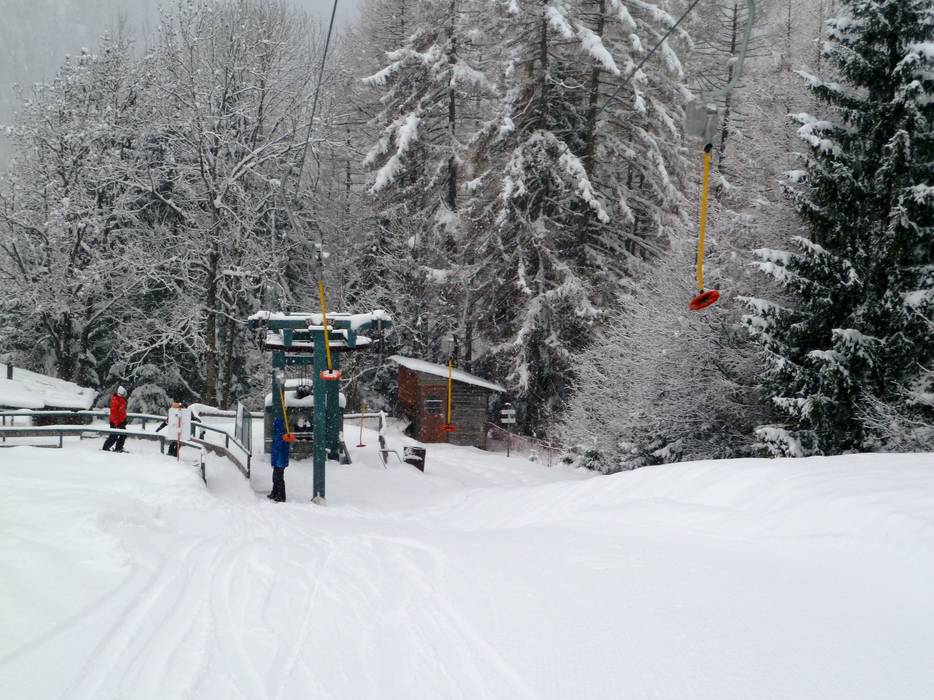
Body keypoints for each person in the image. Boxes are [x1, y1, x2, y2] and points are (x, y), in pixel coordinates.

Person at [102, 386, 129, 452]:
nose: (125, 395)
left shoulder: (121, 400)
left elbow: (122, 412)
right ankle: (106, 447)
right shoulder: (115, 400)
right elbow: (114, 414)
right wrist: (116, 424)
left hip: (120, 422)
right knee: (114, 436)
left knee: (123, 435)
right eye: (124, 393)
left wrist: (124, 420)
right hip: (115, 422)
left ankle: (118, 448)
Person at [269, 416, 289, 502]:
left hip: (280, 461)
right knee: (275, 478)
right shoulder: (278, 435)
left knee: (279, 478)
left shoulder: (282, 436)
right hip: (278, 460)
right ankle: (275, 492)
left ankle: (281, 496)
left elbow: (278, 449)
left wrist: (274, 461)